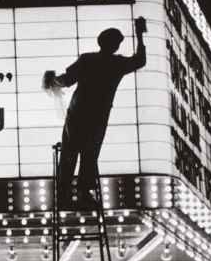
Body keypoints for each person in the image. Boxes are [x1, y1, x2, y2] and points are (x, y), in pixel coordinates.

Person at [43, 17, 147, 206]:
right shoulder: (117, 64)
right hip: (99, 115)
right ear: (115, 46)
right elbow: (140, 60)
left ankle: (63, 194)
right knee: (90, 153)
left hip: (78, 111)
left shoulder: (87, 59)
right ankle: (84, 193)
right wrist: (139, 34)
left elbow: (67, 80)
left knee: (69, 152)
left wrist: (52, 81)